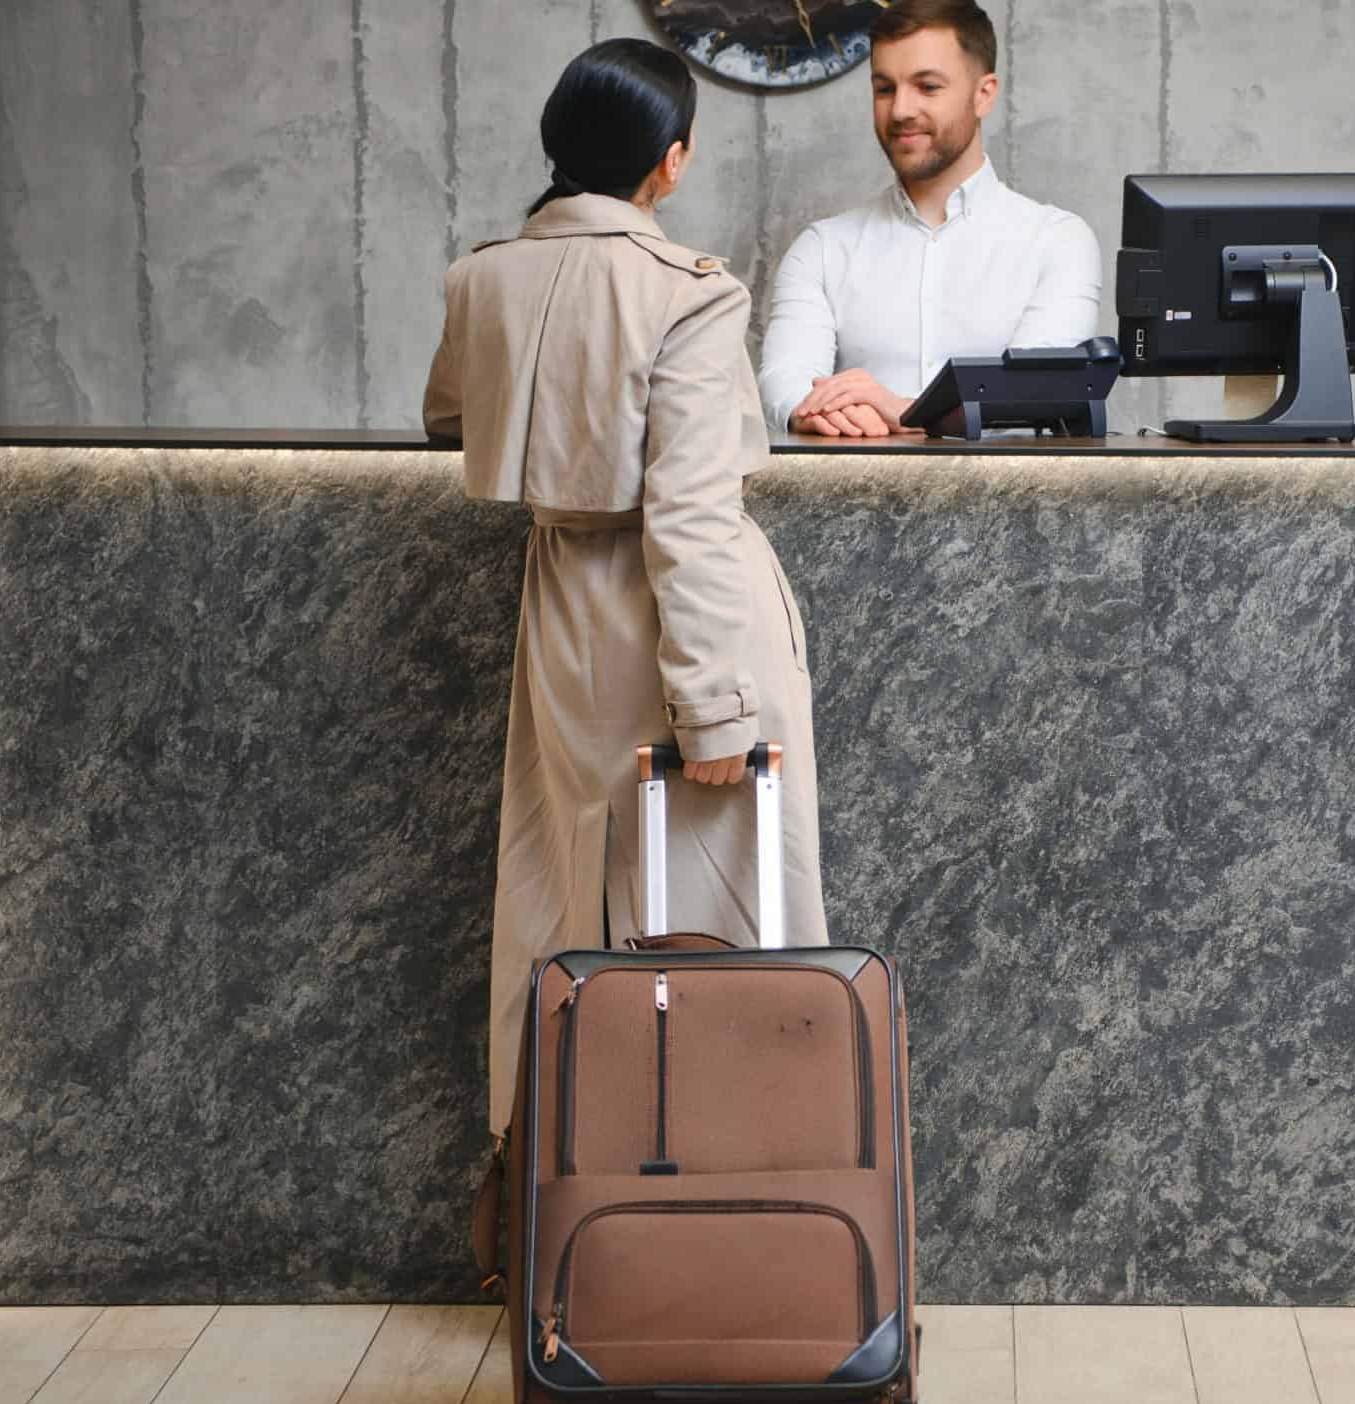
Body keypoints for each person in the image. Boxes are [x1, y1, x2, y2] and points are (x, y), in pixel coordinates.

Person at [422, 38, 828, 1130]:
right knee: (720, 933)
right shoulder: (687, 293)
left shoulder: (481, 275)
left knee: (564, 910)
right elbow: (690, 512)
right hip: (677, 628)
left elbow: (452, 419)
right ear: (673, 159)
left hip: (559, 612)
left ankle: (564, 1191)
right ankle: (735, 1185)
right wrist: (712, 708)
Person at [756, 0, 1102, 437]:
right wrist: (812, 410)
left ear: (984, 94)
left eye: (927, 87)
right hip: (849, 502)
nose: (900, 110)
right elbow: (784, 384)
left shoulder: (1058, 241)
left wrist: (903, 411)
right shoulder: (822, 248)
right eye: (884, 88)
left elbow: (1032, 395)